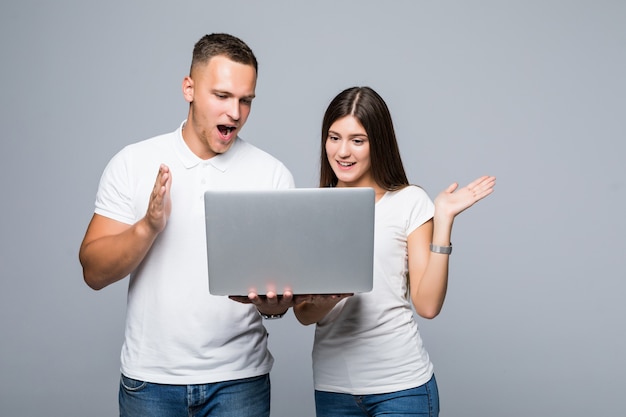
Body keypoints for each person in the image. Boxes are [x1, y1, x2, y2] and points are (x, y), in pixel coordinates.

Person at [79, 33, 296, 417]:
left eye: (246, 100)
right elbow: (93, 272)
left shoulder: (272, 174)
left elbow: (279, 291)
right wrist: (147, 227)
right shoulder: (133, 162)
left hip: (240, 382)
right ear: (189, 88)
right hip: (150, 382)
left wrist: (275, 306)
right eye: (222, 96)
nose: (235, 112)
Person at [293, 86, 496, 417]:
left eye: (357, 140)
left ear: (378, 143)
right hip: (333, 391)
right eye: (334, 137)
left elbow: (427, 305)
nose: (342, 151)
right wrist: (332, 296)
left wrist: (443, 219)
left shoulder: (409, 202)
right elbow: (304, 315)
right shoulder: (313, 210)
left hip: (401, 390)